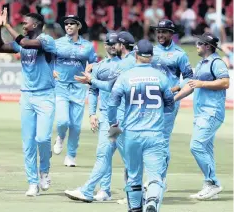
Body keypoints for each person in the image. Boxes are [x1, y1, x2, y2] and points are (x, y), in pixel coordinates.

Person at [107, 39, 175, 212]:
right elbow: (170, 104)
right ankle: (151, 201)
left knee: (134, 176)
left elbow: (112, 104)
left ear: (135, 54)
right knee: (155, 177)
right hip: (154, 133)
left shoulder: (125, 76)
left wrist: (112, 125)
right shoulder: (161, 76)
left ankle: (136, 208)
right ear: (151, 56)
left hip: (131, 134)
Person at [0, 8, 56, 197]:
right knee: (28, 143)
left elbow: (28, 44)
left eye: (25, 23)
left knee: (43, 138)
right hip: (27, 96)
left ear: (35, 25)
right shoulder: (21, 42)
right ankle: (32, 182)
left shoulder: (46, 40)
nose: (23, 25)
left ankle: (44, 170)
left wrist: (8, 25)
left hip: (45, 95)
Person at [64, 31, 122, 202]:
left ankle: (89, 190)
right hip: (107, 116)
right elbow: (93, 91)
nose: (111, 46)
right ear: (104, 45)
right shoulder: (99, 66)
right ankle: (104, 190)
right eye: (108, 43)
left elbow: (110, 87)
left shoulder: (124, 65)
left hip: (118, 118)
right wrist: (92, 114)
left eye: (115, 43)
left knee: (106, 154)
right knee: (106, 153)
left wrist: (91, 80)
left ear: (120, 45)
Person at [174, 32, 230, 200]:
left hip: (211, 112)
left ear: (207, 46)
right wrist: (174, 97)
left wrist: (202, 83)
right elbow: (191, 85)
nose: (196, 45)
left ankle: (213, 183)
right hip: (202, 113)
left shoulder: (216, 62)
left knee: (196, 145)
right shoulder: (201, 63)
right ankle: (209, 186)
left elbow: (225, 82)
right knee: (206, 148)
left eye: (199, 43)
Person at [150, 19, 193, 186]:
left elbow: (189, 79)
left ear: (171, 34)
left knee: (162, 140)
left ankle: (160, 178)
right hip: (150, 102)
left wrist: (175, 90)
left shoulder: (180, 54)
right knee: (150, 139)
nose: (160, 34)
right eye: (158, 31)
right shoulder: (151, 51)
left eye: (164, 32)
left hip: (169, 103)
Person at [53, 15, 97, 167]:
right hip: (61, 85)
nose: (69, 26)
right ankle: (60, 136)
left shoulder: (88, 46)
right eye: (66, 24)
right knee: (63, 120)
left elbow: (94, 62)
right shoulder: (57, 43)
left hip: (78, 87)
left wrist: (91, 68)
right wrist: (51, 70)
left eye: (72, 24)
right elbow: (47, 59)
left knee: (76, 126)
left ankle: (71, 156)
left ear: (79, 26)